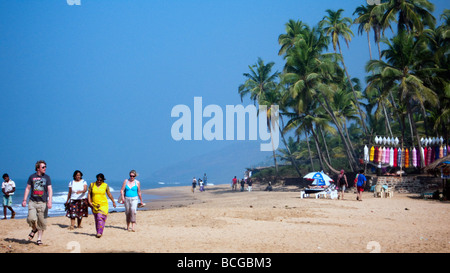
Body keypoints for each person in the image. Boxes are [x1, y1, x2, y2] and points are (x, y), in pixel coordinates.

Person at [22, 160, 53, 246]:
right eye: (43, 167)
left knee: (41, 222)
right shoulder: (32, 177)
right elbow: (28, 188)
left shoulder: (47, 177)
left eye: (45, 167)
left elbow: (50, 189)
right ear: (38, 168)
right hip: (33, 201)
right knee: (31, 219)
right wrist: (24, 200)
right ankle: (34, 229)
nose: (45, 168)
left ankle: (39, 239)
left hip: (43, 203)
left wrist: (50, 200)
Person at [87, 173, 116, 238]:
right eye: (98, 180)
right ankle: (98, 231)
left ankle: (99, 233)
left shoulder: (105, 185)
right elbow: (89, 193)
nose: (99, 181)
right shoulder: (92, 185)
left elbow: (109, 194)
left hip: (103, 204)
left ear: (103, 180)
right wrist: (89, 202)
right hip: (94, 204)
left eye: (101, 180)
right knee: (96, 219)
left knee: (100, 217)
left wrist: (113, 202)